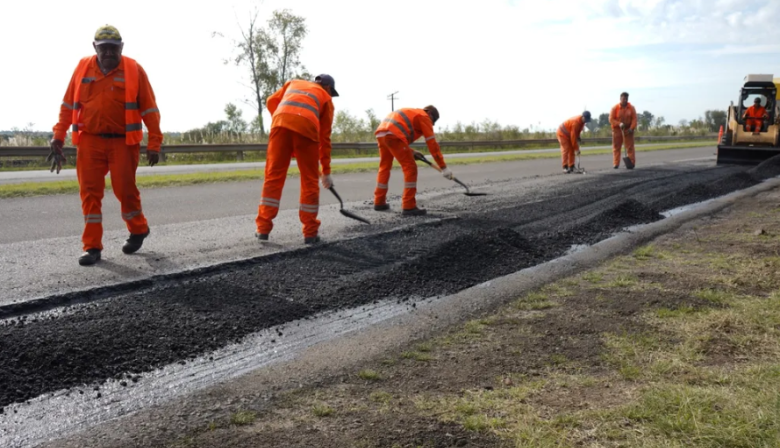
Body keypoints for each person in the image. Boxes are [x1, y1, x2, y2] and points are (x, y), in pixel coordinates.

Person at [49, 25, 162, 266]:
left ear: (121, 47)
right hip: (90, 141)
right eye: (104, 48)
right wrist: (58, 135)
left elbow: (150, 109)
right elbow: (68, 105)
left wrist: (155, 142)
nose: (109, 53)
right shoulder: (82, 68)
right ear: (95, 48)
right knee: (89, 194)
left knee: (125, 191)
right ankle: (92, 247)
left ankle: (138, 228)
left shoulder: (134, 69)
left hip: (123, 142)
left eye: (113, 48)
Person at [255, 74, 338, 244]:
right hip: (307, 128)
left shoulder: (293, 83)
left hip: (280, 124)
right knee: (309, 180)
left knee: (273, 177)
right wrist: (326, 172)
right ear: (328, 88)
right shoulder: (326, 99)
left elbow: (271, 101)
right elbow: (325, 139)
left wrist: (283, 120)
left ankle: (263, 229)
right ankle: (310, 233)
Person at [373, 106, 453, 216]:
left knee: (384, 167)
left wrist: (411, 151)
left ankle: (379, 201)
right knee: (410, 168)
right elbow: (432, 144)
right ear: (429, 113)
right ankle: (408, 205)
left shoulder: (413, 113)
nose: (432, 124)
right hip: (393, 135)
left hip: (382, 133)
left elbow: (398, 137)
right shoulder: (424, 116)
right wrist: (443, 167)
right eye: (433, 120)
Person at [610, 92, 638, 169]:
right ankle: (616, 163)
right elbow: (611, 119)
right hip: (617, 130)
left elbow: (634, 119)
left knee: (630, 147)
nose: (624, 100)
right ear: (620, 99)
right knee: (616, 147)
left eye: (626, 98)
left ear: (627, 99)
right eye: (623, 98)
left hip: (628, 130)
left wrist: (631, 128)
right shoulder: (615, 108)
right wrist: (619, 124)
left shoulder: (631, 108)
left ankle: (631, 163)